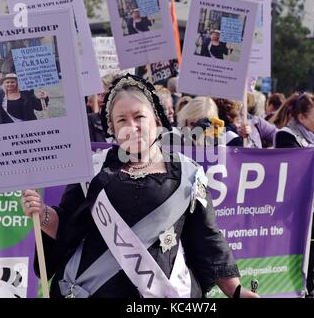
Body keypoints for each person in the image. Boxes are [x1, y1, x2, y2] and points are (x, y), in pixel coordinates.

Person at [21, 74, 259, 298]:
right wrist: (42, 213)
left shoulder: (188, 173)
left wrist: (236, 290)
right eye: (121, 120)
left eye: (139, 117)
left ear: (156, 120)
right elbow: (65, 227)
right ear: (112, 129)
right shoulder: (91, 171)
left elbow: (207, 238)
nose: (131, 126)